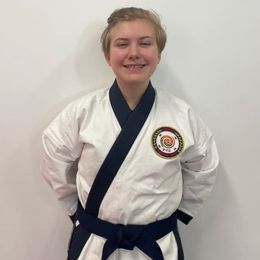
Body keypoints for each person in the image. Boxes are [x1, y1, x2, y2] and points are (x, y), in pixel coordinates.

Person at [41, 7, 219, 260]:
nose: (134, 53)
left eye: (145, 43)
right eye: (122, 44)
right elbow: (53, 158)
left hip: (157, 243)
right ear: (108, 55)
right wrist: (77, 210)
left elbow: (205, 166)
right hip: (96, 243)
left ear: (158, 54)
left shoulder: (181, 115)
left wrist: (179, 212)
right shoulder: (82, 112)